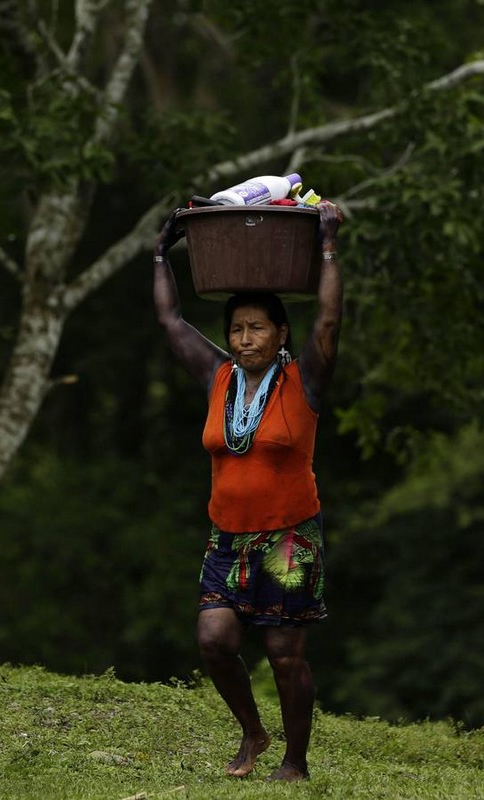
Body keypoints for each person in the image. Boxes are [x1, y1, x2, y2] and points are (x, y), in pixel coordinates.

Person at [152, 200, 344, 781]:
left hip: (288, 540)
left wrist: (329, 245)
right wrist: (162, 254)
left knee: (286, 657)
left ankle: (295, 761)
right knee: (214, 640)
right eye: (236, 329)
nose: (244, 339)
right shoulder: (218, 378)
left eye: (256, 328)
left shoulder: (302, 378)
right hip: (227, 541)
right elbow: (169, 321)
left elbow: (330, 322)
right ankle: (253, 732)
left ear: (280, 332)